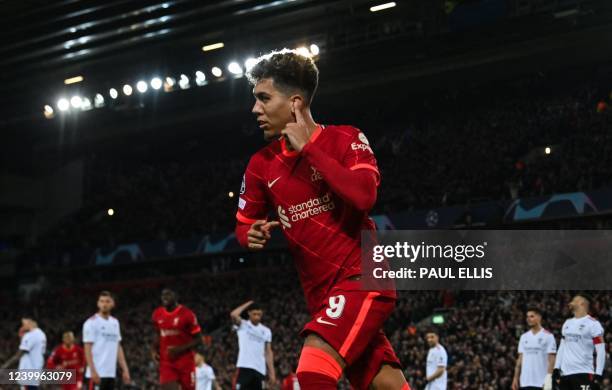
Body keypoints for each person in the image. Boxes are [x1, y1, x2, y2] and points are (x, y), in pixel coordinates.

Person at [235, 49, 408, 389]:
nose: (255, 109)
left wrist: (310, 149)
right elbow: (244, 223)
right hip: (321, 297)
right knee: (384, 384)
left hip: (363, 277)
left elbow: (364, 196)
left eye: (263, 98)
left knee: (313, 371)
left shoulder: (345, 138)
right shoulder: (261, 164)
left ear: (295, 102)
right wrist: (249, 234)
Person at [151, 288, 203, 390]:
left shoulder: (188, 314)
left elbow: (199, 339)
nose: (165, 297)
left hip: (185, 362)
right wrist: (153, 349)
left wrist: (179, 349)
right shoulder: (157, 314)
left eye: (168, 294)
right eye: (163, 295)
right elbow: (158, 334)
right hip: (167, 362)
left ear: (176, 297)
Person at [553, 294, 605, 390]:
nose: (570, 303)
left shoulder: (593, 324)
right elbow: (562, 347)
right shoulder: (567, 323)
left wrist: (598, 374)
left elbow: (601, 350)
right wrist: (556, 368)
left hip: (583, 373)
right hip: (565, 375)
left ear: (582, 303)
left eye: (573, 300)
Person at [82, 291, 130, 390]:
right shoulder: (91, 323)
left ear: (113, 304)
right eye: (102, 301)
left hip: (110, 374)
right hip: (96, 374)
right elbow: (87, 349)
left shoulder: (115, 323)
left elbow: (118, 347)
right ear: (98, 303)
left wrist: (125, 369)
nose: (104, 304)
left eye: (107, 301)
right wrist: (93, 371)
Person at [230, 301, 275, 390]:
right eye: (254, 314)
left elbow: (268, 352)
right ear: (249, 313)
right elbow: (233, 314)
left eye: (259, 314)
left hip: (260, 370)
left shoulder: (266, 331)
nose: (257, 317)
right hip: (245, 367)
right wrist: (248, 304)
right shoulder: (243, 324)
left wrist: (272, 372)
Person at [512, 308, 556, 390]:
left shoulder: (548, 336)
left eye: (531, 316)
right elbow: (520, 360)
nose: (528, 319)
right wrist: (515, 378)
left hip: (541, 383)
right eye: (527, 317)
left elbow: (552, 360)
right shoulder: (524, 337)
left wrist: (549, 379)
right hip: (525, 382)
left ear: (539, 317)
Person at [1, 316, 47, 389]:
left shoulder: (31, 335)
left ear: (30, 322)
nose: (23, 326)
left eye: (24, 323)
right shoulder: (41, 334)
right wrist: (22, 337)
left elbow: (19, 354)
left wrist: (4, 367)